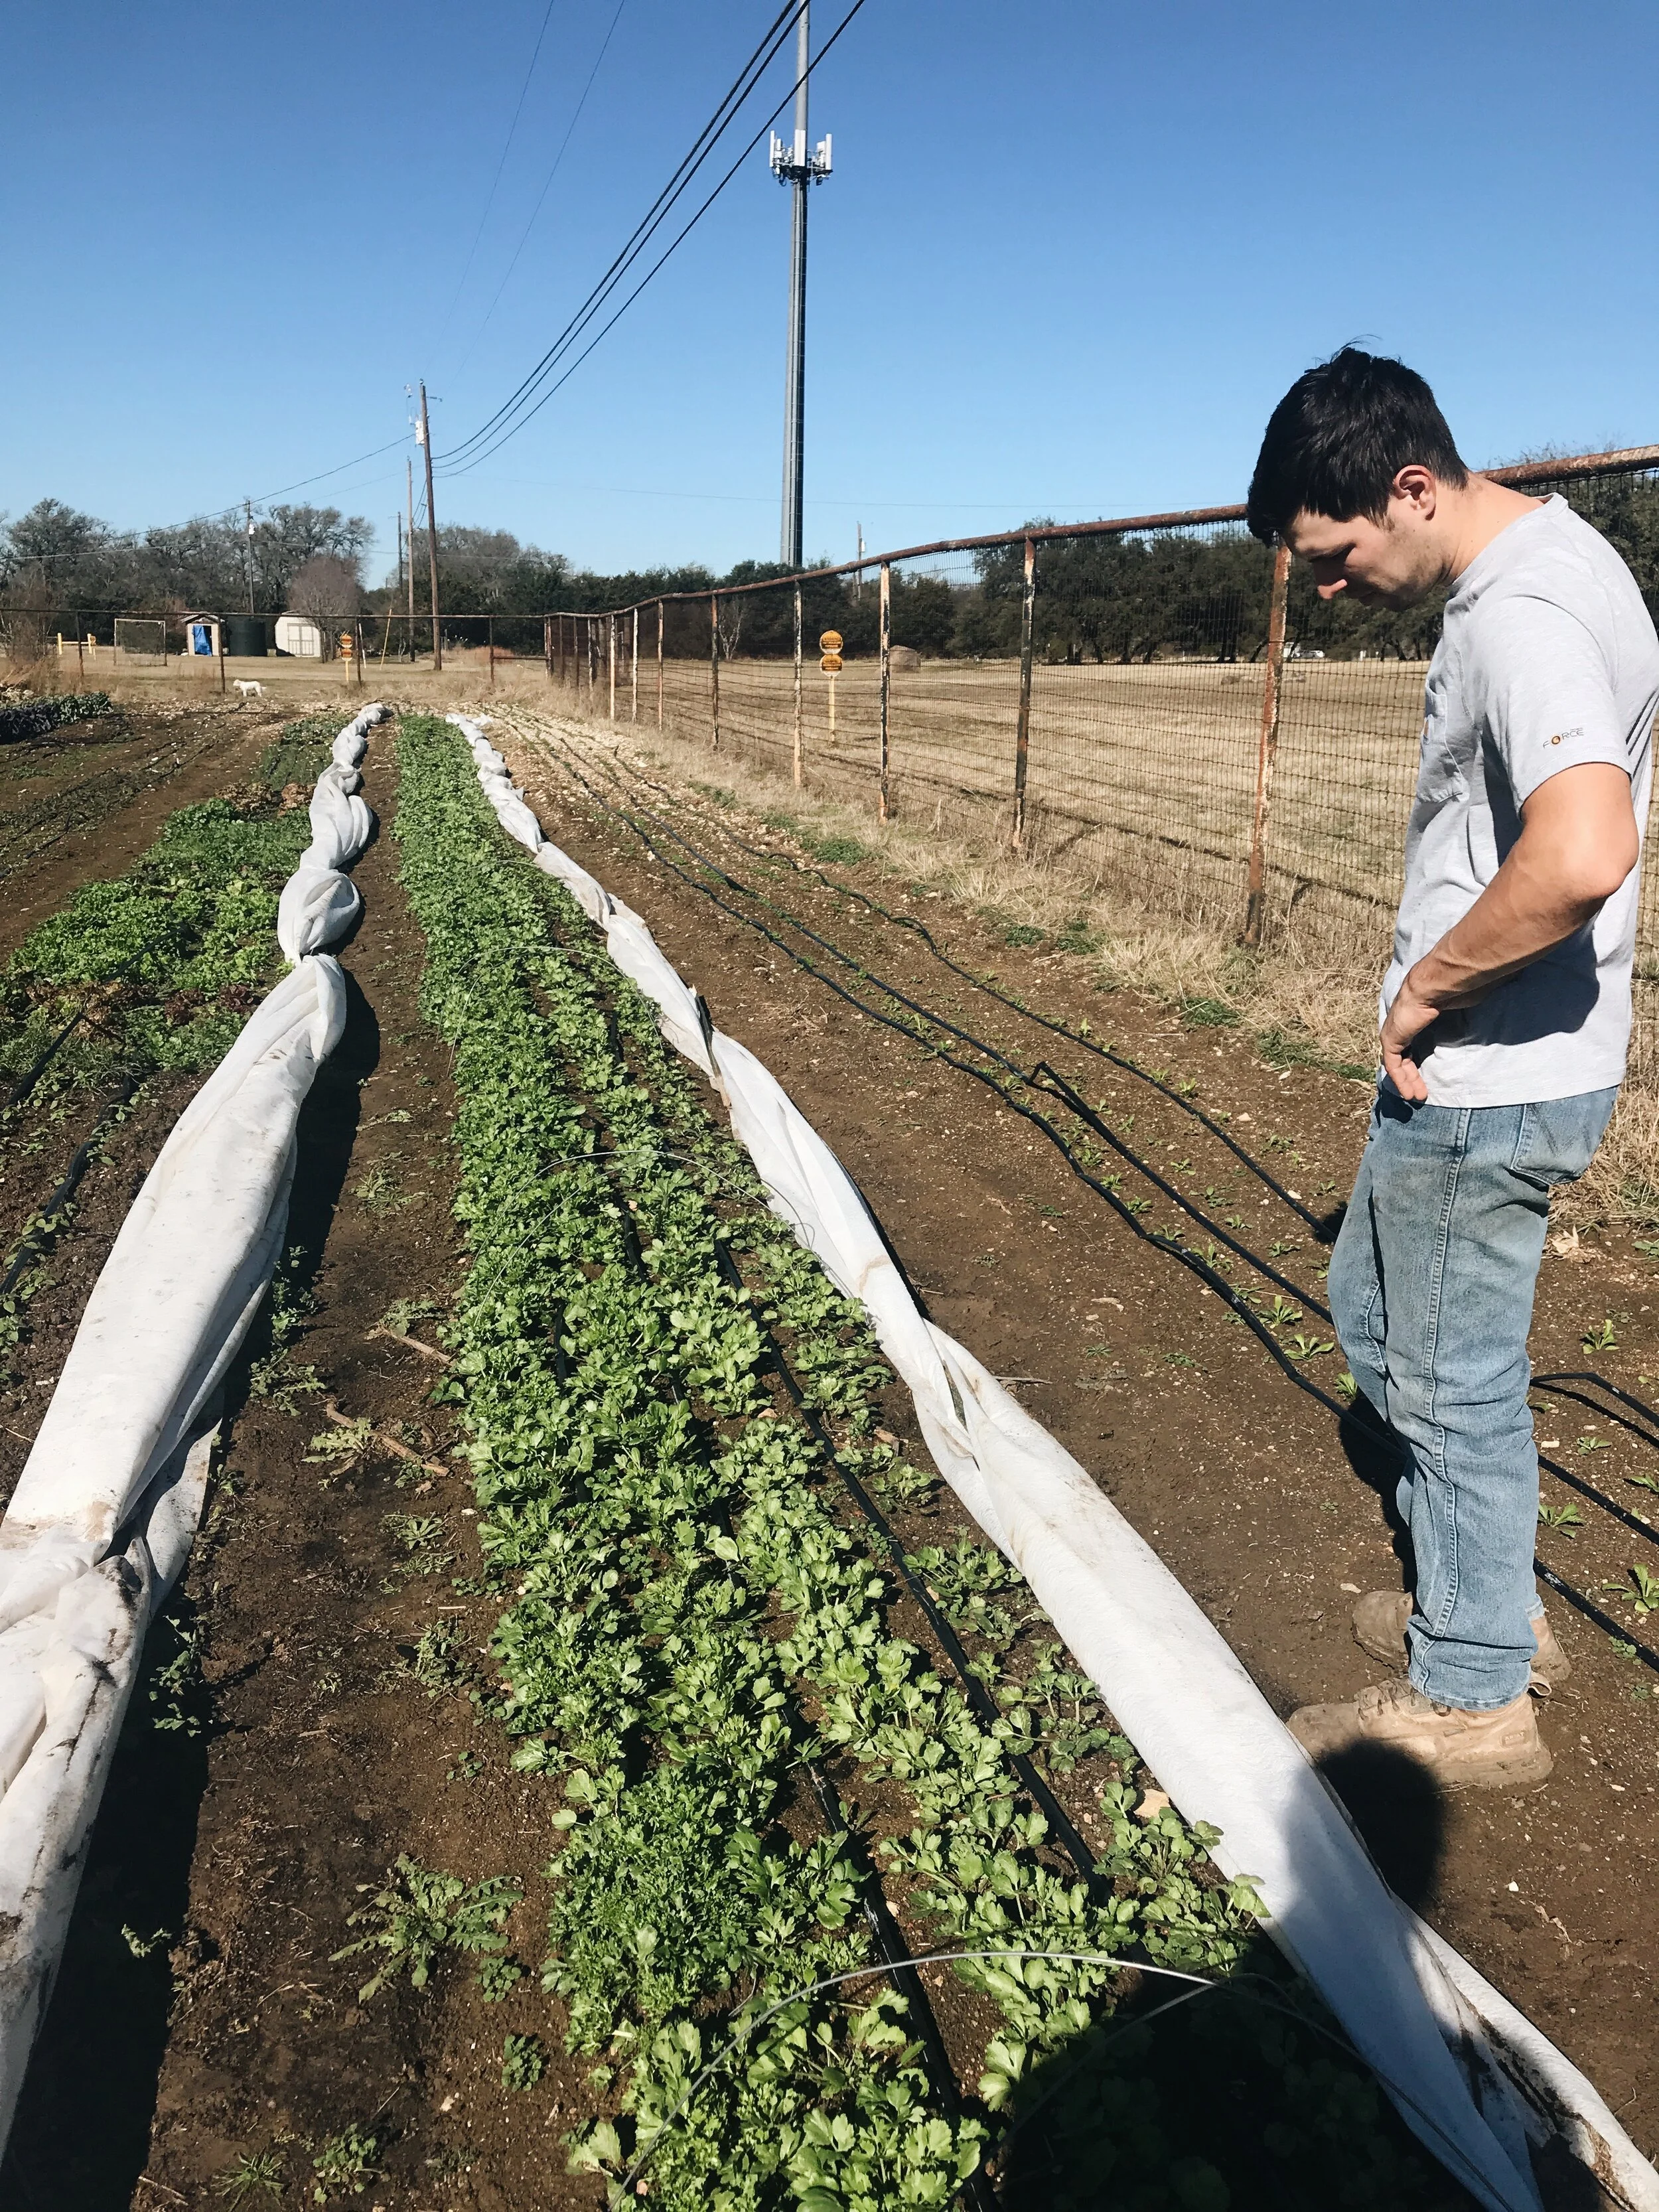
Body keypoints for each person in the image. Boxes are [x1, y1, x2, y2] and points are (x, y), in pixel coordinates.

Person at [1245, 348, 1659, 1788]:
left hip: (1486, 1075)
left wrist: (1423, 986)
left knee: (1439, 1375)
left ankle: (1476, 1695)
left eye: (1335, 551)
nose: (1330, 586)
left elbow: (1583, 849)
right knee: (1381, 1311)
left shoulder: (1520, 614)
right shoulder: (1555, 563)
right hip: (1508, 1064)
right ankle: (1485, 1606)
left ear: (1408, 487)